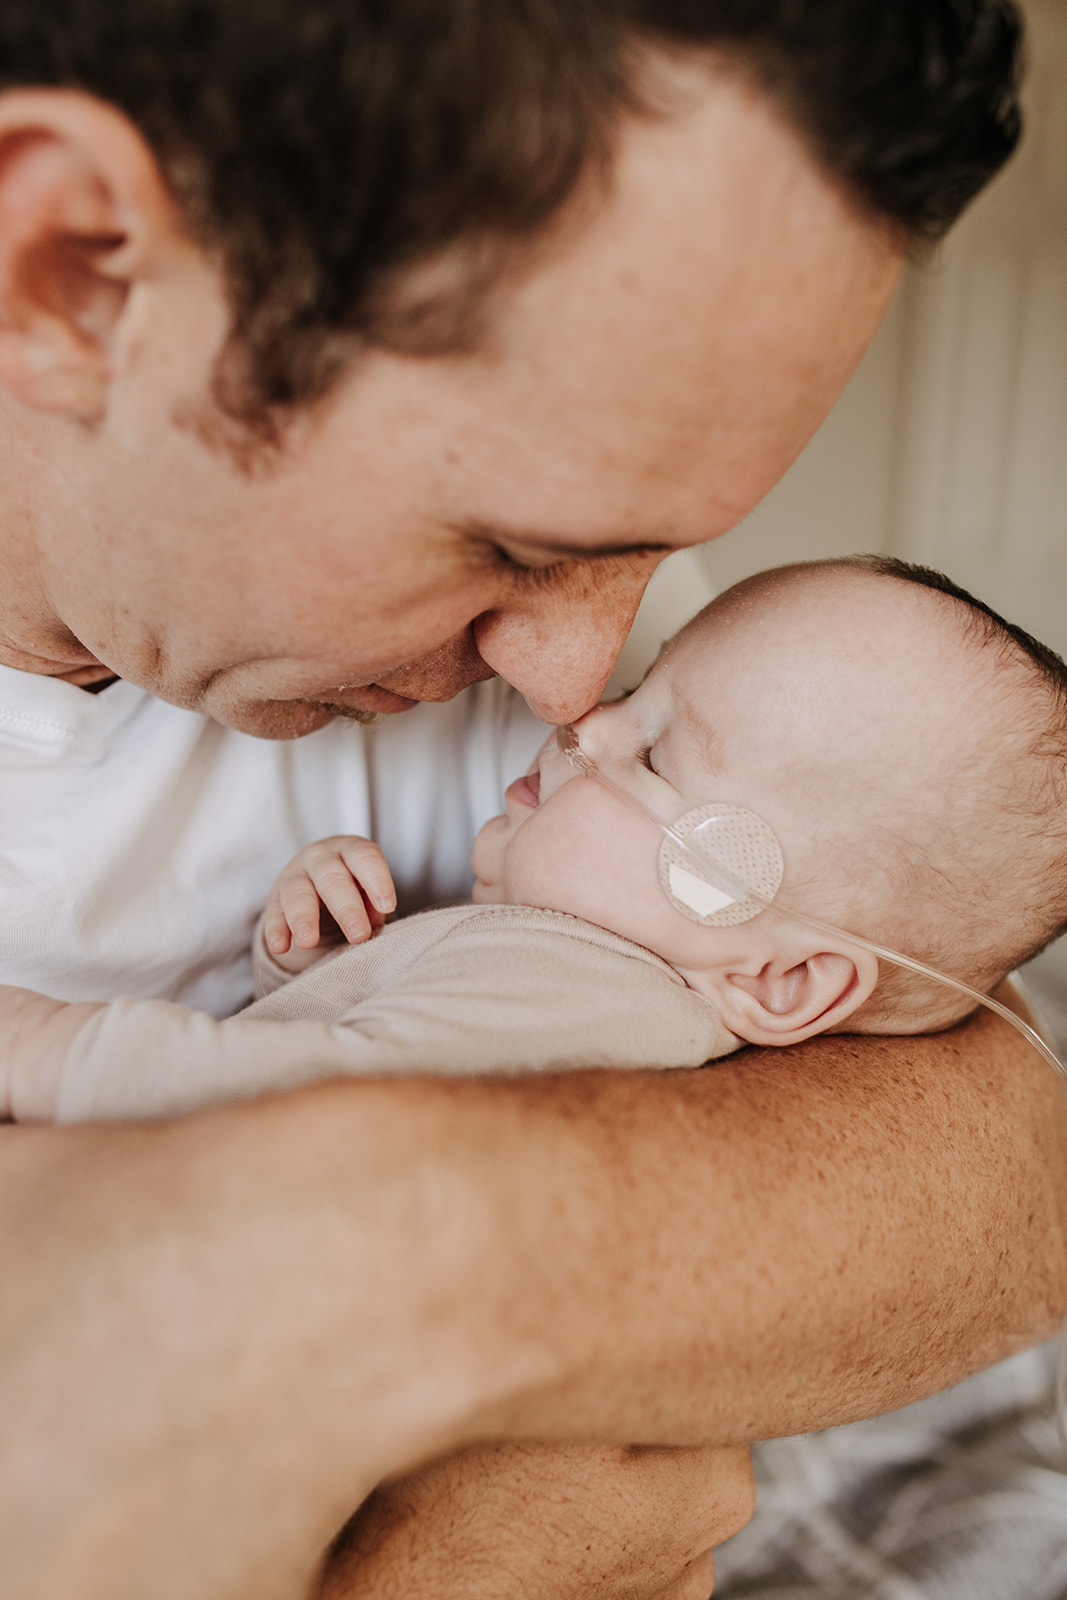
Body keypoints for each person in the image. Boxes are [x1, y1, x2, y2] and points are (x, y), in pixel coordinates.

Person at [2, 6, 1062, 1600]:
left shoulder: (630, 696)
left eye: (649, 552)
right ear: (72, 272)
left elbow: (1001, 1152)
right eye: (508, 545)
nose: (574, 688)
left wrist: (253, 1260)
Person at [7, 556, 1067, 1127]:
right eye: (640, 696)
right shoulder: (583, 992)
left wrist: (39, 1047)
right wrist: (327, 975)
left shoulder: (574, 986)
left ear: (785, 979)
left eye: (653, 758)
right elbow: (397, 1067)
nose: (582, 714)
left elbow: (286, 1101)